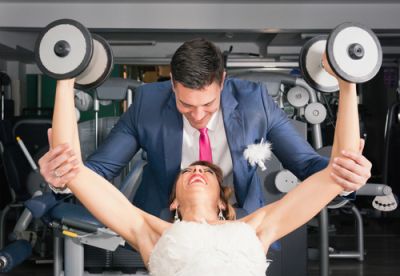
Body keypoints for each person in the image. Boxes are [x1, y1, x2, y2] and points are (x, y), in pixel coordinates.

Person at [51, 52, 363, 276]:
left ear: (223, 202)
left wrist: (348, 86)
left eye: (206, 172)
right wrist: (64, 80)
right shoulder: (151, 230)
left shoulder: (256, 227)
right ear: (172, 202)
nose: (197, 169)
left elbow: (337, 173)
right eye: (188, 171)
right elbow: (75, 171)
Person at [39, 38, 371, 217]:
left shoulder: (255, 102)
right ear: (172, 84)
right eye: (186, 105)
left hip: (240, 221)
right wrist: (64, 179)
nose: (198, 116)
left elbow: (309, 166)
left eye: (208, 105)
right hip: (168, 224)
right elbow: (98, 170)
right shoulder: (147, 104)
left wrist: (344, 179)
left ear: (222, 82)